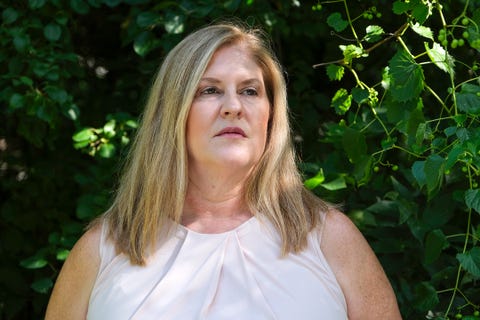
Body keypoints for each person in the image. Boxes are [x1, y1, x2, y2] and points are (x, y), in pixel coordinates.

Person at [45, 21, 402, 319]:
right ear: (173, 113)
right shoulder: (104, 249)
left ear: (270, 115)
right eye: (210, 91)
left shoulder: (329, 238)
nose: (233, 107)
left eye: (249, 91)